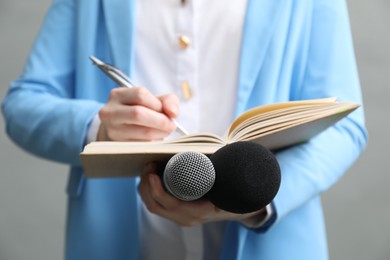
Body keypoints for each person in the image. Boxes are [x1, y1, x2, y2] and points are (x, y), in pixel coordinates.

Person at [2, 0, 367, 259]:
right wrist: (100, 126)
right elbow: (22, 105)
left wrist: (254, 198)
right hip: (112, 241)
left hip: (272, 243)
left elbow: (345, 123)